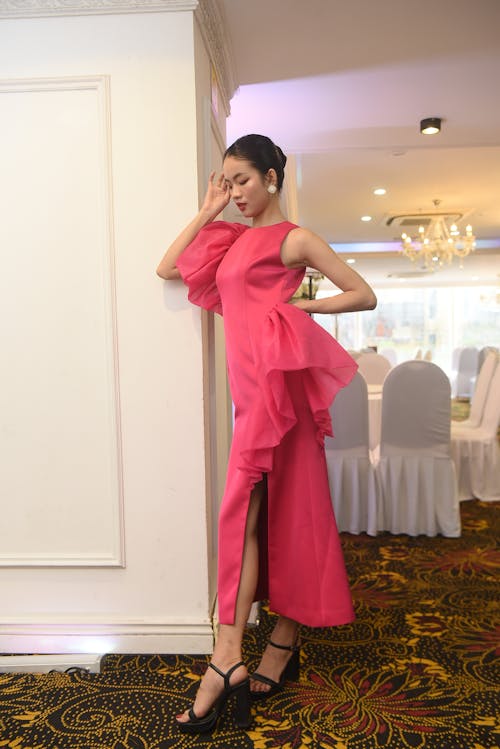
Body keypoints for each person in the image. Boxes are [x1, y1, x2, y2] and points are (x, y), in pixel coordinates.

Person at [156, 134, 377, 734]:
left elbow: (362, 292)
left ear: (272, 178)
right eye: (227, 183)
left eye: (243, 182)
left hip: (280, 396)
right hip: (249, 398)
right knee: (254, 515)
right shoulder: (229, 238)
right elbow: (169, 267)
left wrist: (306, 310)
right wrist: (207, 209)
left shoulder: (294, 238)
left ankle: (249, 651)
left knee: (277, 513)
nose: (235, 194)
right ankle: (250, 650)